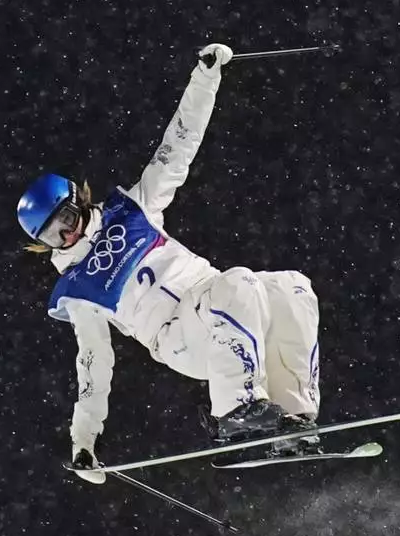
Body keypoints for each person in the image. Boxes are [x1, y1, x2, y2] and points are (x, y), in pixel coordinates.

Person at [17, 43, 321, 484]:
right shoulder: (78, 287)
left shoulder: (132, 209)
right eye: (51, 236)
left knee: (291, 287)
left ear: (75, 200)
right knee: (238, 284)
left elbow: (177, 149)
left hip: (223, 307)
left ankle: (295, 417)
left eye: (64, 220)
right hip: (178, 336)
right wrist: (83, 439)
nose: (66, 236)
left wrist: (206, 77)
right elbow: (93, 362)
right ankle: (236, 412)